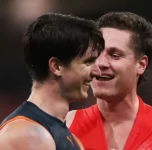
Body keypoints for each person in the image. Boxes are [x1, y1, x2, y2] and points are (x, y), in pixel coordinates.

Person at [66, 12, 152, 150]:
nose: (100, 63)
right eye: (96, 54)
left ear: (141, 65)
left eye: (115, 55)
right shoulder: (65, 127)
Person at [0, 13, 104, 150]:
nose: (97, 71)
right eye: (88, 62)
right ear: (56, 67)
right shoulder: (28, 134)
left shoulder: (66, 136)